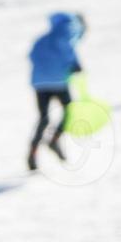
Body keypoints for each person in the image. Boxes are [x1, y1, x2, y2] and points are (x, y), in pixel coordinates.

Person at [27, 12, 87, 171]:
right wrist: (75, 67)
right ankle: (55, 138)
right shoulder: (67, 39)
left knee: (43, 118)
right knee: (69, 109)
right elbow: (72, 60)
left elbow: (32, 56)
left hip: (40, 84)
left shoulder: (42, 40)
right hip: (59, 83)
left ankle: (32, 152)